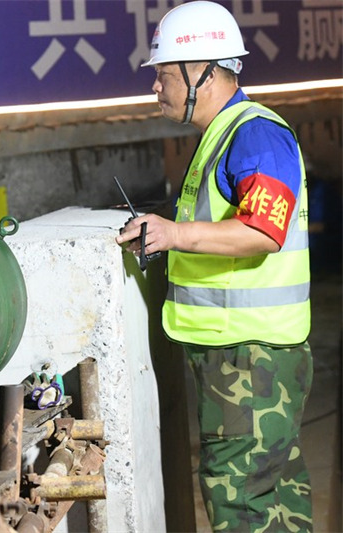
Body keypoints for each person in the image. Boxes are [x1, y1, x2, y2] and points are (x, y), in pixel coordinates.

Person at [115, 1, 313, 531]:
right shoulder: (223, 136)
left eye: (162, 74)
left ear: (199, 72)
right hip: (241, 354)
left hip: (252, 359)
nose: (156, 87)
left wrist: (174, 233)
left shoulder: (256, 135)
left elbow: (263, 231)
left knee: (240, 499)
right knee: (272, 498)